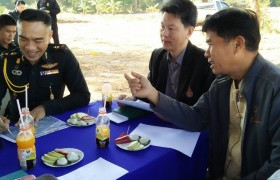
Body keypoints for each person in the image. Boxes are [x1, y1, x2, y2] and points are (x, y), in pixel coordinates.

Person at [125, 8, 280, 180]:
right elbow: (195, 117)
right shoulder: (222, 84)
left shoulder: (274, 88)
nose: (206, 53)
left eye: (211, 44)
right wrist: (153, 94)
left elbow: (276, 166)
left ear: (238, 44)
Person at [0, 9, 90, 128]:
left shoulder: (62, 56)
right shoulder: (7, 60)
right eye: (23, 39)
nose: (30, 48)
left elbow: (82, 95)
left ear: (50, 36)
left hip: (52, 124)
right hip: (16, 127)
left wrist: (45, 108)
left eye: (38, 40)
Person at [119, 0, 215, 106]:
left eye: (171, 28)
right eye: (162, 27)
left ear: (189, 32)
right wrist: (133, 98)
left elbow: (202, 111)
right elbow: (151, 95)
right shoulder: (157, 56)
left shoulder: (205, 63)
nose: (164, 33)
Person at [0, 14, 17, 118]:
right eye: (8, 31)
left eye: (14, 32)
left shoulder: (16, 49)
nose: (11, 35)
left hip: (13, 94)